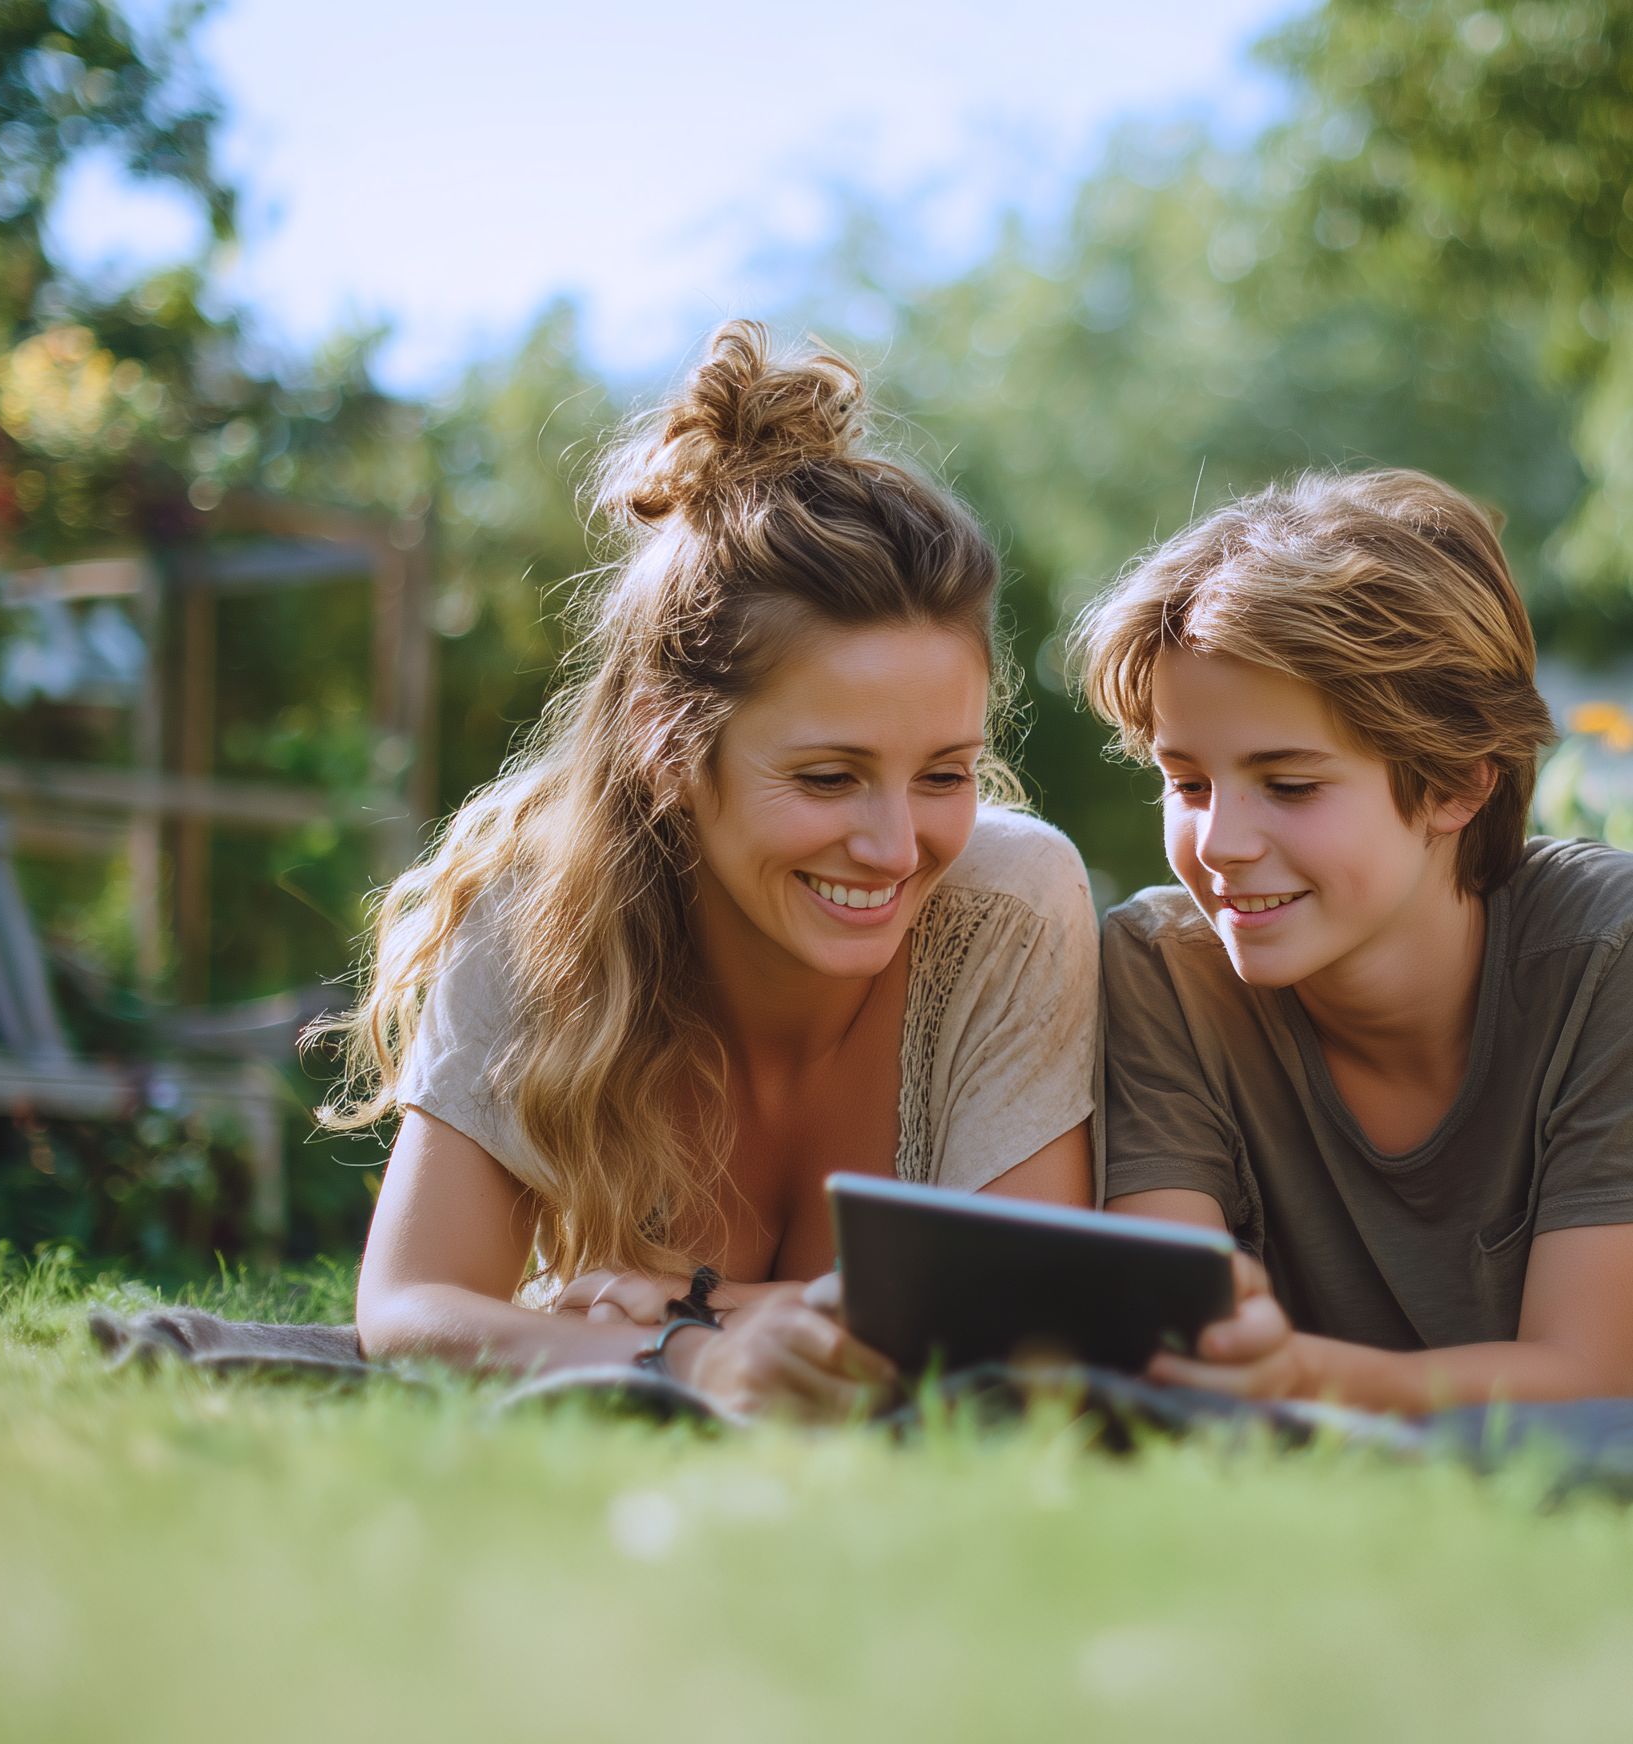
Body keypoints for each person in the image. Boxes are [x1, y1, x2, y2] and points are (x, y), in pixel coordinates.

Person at [322, 321, 1099, 1419]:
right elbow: (409, 1308)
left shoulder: (1011, 904)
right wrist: (686, 1361)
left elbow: (1029, 1327)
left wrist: (691, 1302)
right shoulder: (542, 907)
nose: (894, 846)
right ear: (667, 743)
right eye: (829, 778)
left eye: (943, 773)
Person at [1073, 467, 1633, 1412]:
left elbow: (1595, 1382)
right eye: (1188, 783)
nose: (1219, 847)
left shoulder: (1603, 959)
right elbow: (1168, 1339)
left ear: (1457, 784)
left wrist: (1298, 1375)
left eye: (1288, 785)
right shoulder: (1165, 974)